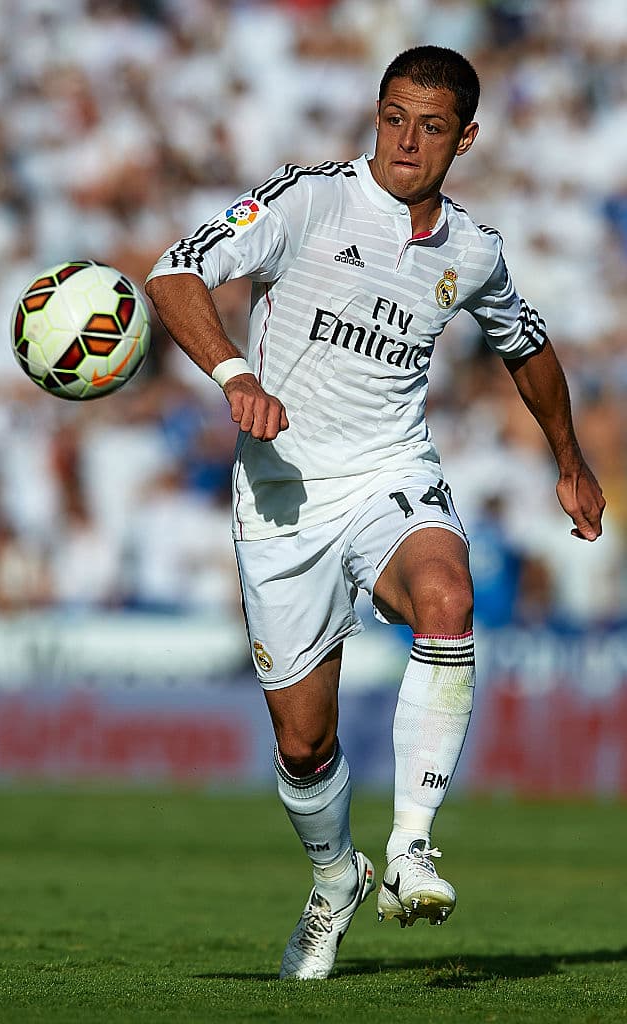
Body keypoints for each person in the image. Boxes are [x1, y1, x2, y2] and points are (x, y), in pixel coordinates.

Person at [145, 45, 605, 980]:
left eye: (430, 125)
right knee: (303, 745)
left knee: (446, 595)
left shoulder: (473, 249)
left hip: (391, 473)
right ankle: (332, 878)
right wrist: (236, 375)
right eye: (393, 115)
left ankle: (411, 849)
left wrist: (570, 459)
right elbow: (173, 272)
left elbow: (526, 342)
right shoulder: (308, 198)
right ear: (375, 112)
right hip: (281, 497)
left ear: (464, 137)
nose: (404, 139)